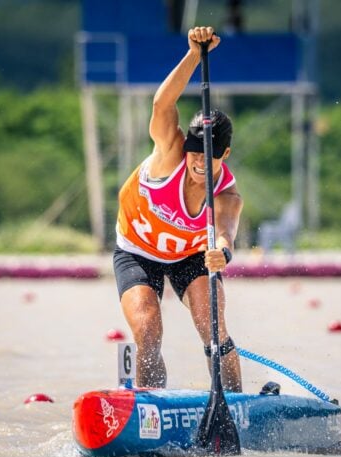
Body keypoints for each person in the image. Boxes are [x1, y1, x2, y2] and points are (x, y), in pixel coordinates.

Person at [113, 26, 243, 392]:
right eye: (195, 156)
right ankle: (151, 405)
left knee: (214, 330)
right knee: (148, 331)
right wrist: (193, 55)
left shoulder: (227, 194)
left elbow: (225, 231)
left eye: (210, 159)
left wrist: (222, 253)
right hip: (137, 252)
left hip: (190, 255)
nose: (200, 165)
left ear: (225, 155)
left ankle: (232, 405)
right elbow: (161, 104)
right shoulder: (171, 151)